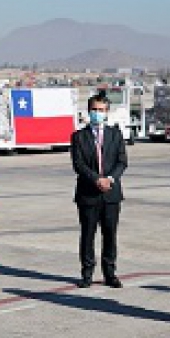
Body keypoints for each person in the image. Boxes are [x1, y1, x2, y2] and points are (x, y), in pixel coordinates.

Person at [70, 93, 127, 288]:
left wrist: (109, 179)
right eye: (94, 110)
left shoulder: (115, 135)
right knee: (88, 234)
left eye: (101, 110)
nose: (97, 113)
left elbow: (122, 161)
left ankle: (110, 273)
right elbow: (78, 164)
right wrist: (96, 180)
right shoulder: (78, 136)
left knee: (110, 234)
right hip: (88, 193)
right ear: (88, 111)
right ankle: (87, 273)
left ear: (107, 112)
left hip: (111, 194)